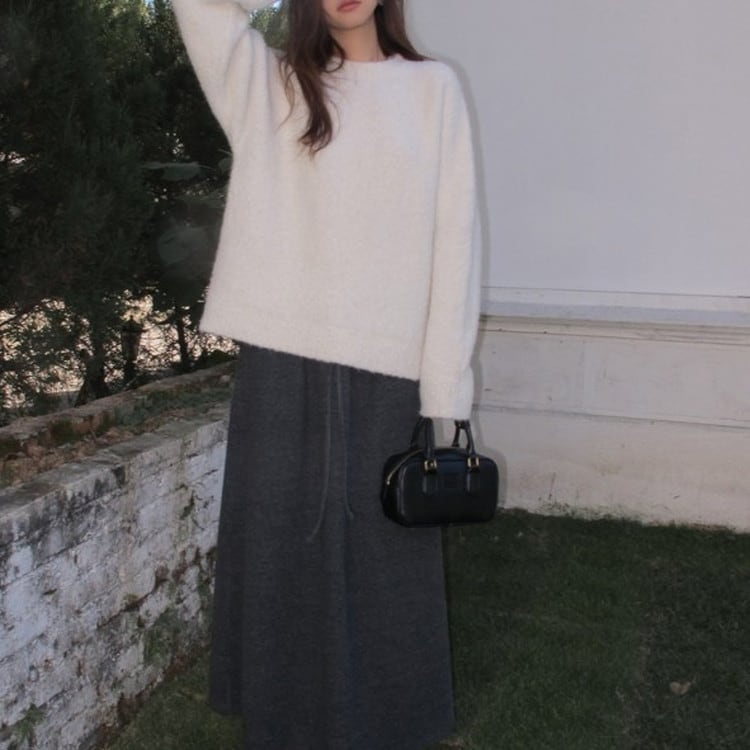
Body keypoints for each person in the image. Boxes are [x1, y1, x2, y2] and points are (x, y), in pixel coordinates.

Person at [171, 0, 481, 747]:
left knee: (384, 547)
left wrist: (444, 387)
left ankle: (394, 717)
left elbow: (457, 242)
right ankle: (283, 715)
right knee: (281, 542)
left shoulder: (433, 87)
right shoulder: (271, 83)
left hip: (388, 367)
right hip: (282, 358)